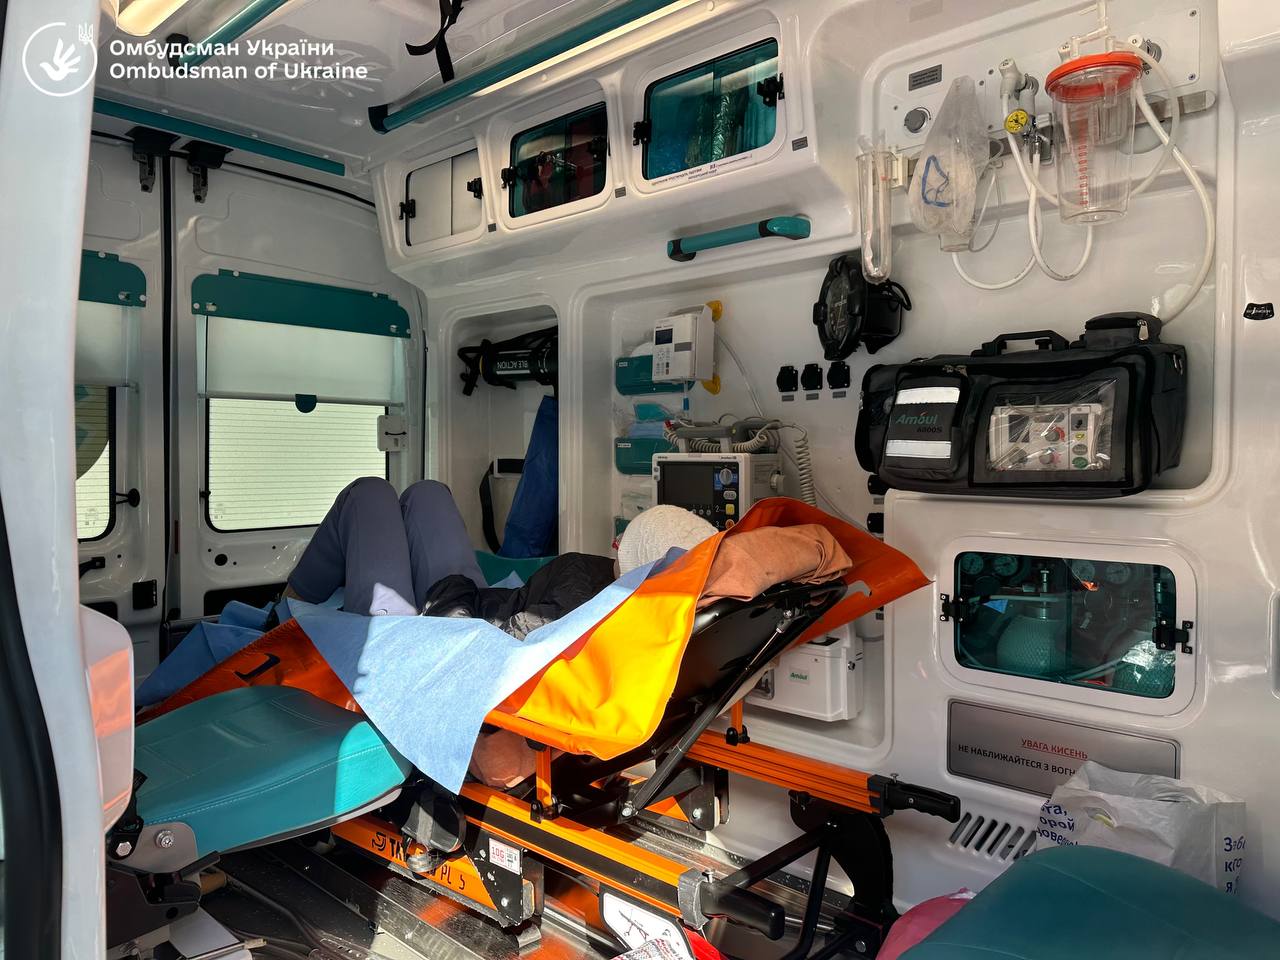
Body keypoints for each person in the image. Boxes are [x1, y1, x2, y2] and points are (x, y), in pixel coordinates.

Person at [283, 476, 486, 617]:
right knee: (430, 493)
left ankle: (283, 617)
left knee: (368, 493)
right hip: (477, 630)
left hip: (390, 641)